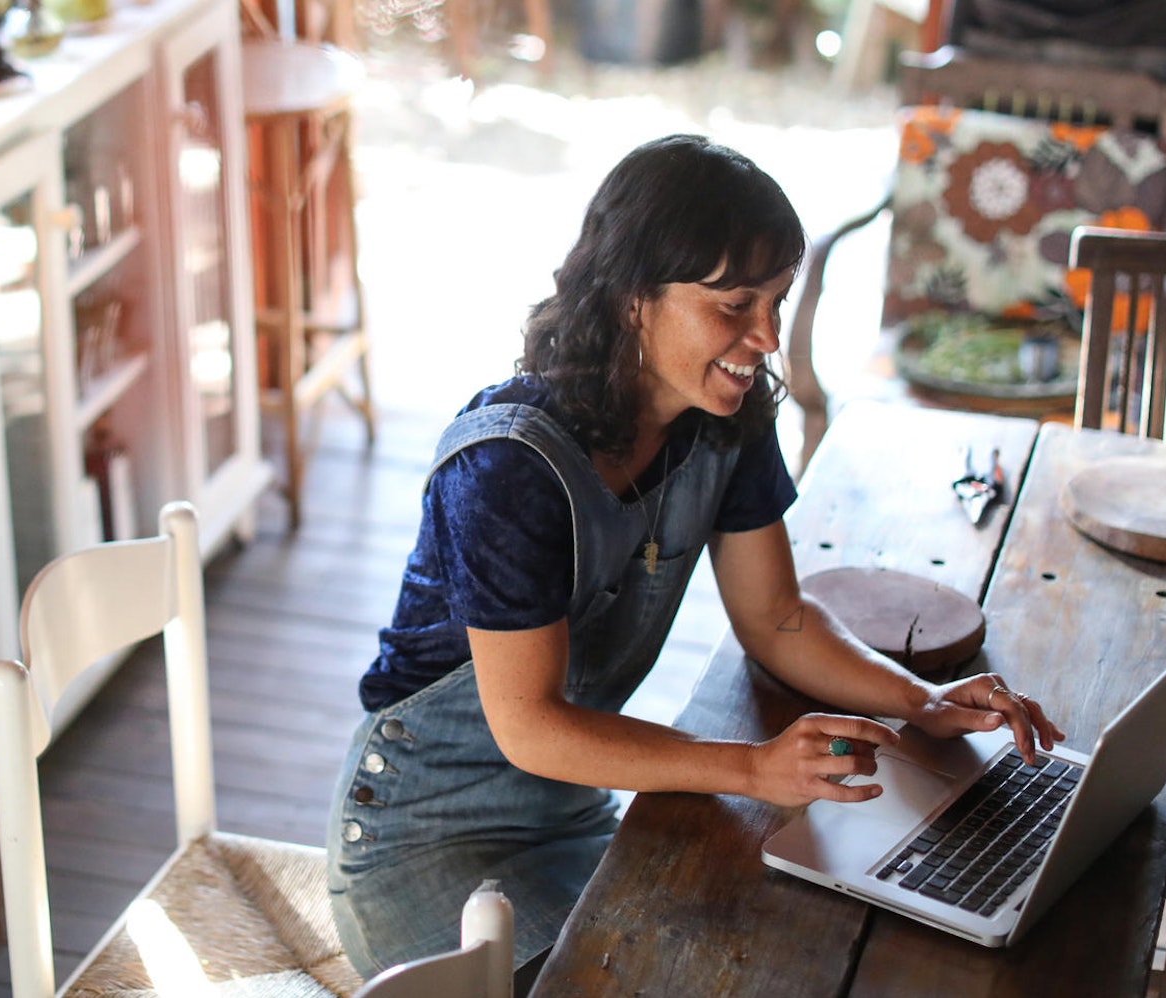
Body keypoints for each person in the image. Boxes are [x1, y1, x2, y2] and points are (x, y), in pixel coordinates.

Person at [323, 134, 1065, 986]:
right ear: (632, 295)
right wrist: (750, 767)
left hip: (570, 809)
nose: (767, 338)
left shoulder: (723, 417)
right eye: (735, 305)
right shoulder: (505, 470)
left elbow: (777, 618)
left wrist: (921, 703)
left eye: (778, 302)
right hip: (424, 839)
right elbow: (531, 725)